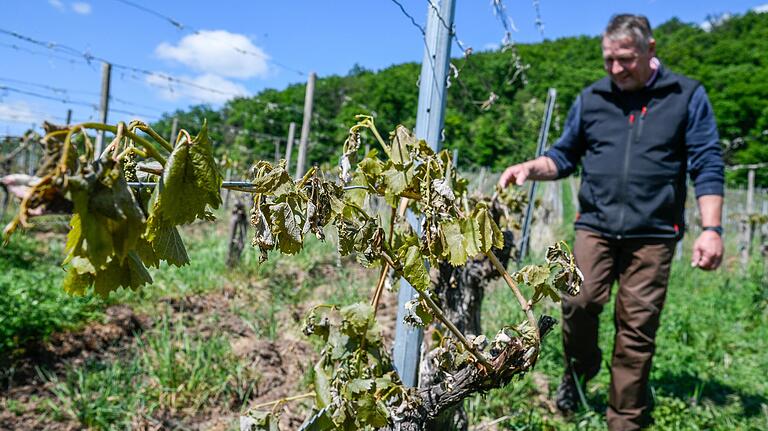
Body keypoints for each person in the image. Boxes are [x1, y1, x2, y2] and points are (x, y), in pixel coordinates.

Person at [498, 14, 724, 430]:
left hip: (654, 234)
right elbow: (564, 155)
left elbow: (708, 163)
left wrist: (712, 230)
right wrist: (531, 167)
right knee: (578, 303)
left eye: (625, 59)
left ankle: (625, 419)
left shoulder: (685, 95)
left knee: (636, 329)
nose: (616, 69)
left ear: (650, 50)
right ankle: (578, 375)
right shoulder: (593, 98)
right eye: (608, 60)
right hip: (596, 225)